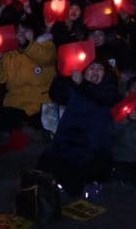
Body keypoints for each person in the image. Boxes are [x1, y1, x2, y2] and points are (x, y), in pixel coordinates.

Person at [38, 59, 118, 196]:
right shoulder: (75, 88)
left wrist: (83, 83)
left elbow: (101, 97)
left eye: (99, 69)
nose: (95, 72)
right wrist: (64, 74)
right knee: (47, 162)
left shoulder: (108, 91)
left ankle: (85, 184)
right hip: (69, 143)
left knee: (88, 168)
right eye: (91, 68)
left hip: (95, 147)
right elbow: (56, 93)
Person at [0, 24, 55, 154]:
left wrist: (25, 44)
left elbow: (45, 58)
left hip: (39, 103)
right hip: (15, 103)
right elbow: (0, 79)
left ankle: (21, 133)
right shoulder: (9, 54)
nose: (21, 34)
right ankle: (22, 132)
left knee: (34, 121)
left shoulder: (46, 46)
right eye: (19, 32)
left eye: (26, 30)